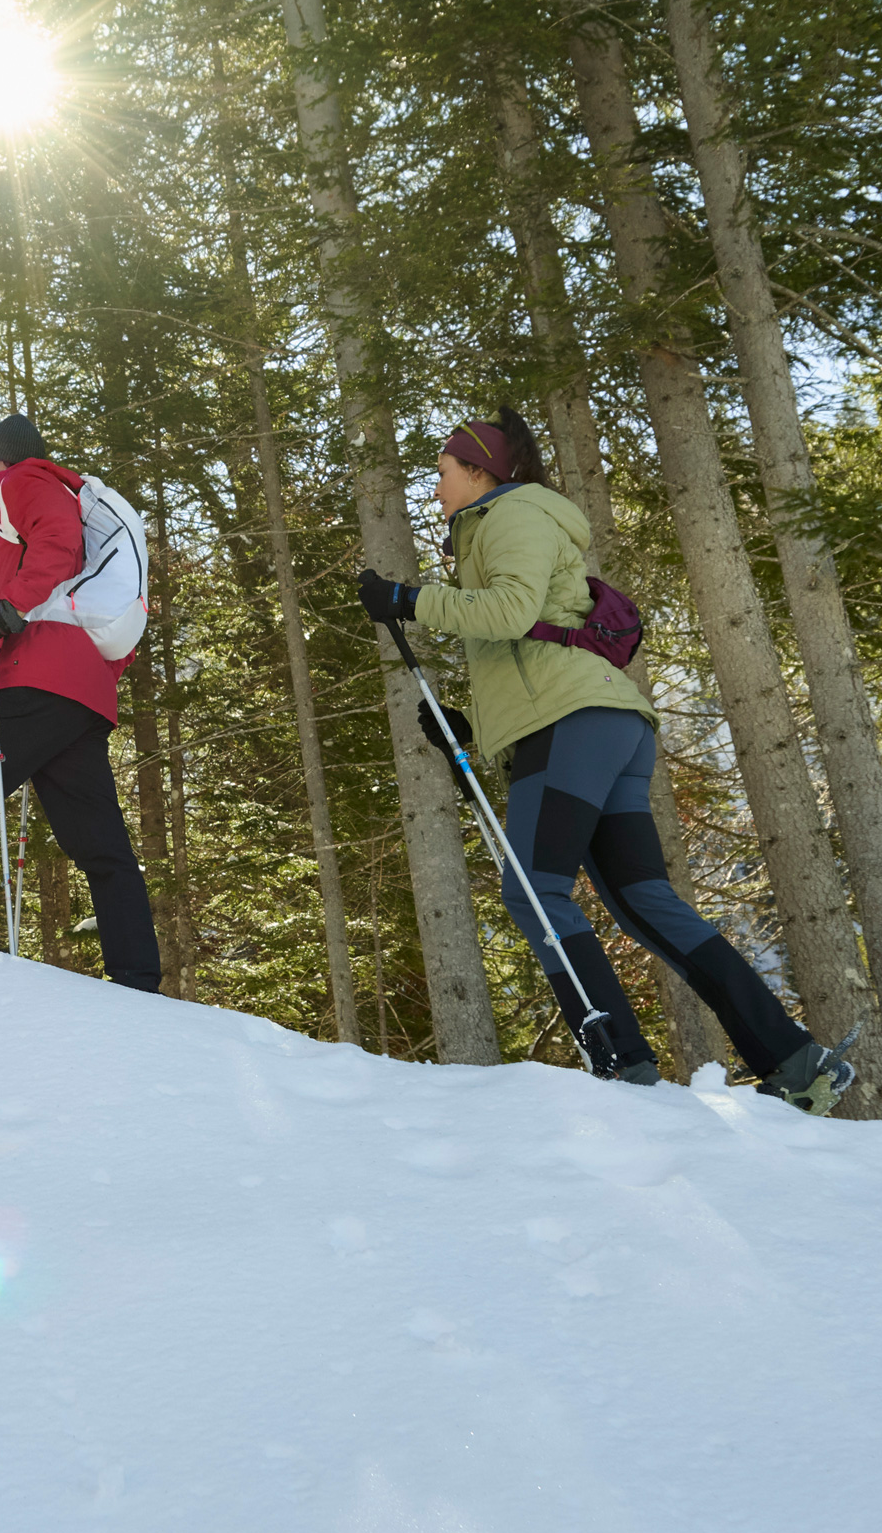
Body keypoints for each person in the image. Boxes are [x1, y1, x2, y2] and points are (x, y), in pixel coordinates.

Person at [358, 409, 855, 1112]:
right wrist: (471, 732)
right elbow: (525, 640)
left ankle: (621, 1064)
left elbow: (505, 610)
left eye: (441, 474)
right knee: (643, 900)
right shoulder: (507, 520)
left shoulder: (513, 512)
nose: (434, 490)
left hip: (572, 723)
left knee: (534, 892)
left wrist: (407, 601)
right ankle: (797, 1062)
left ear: (479, 470)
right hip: (596, 724)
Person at [0, 412, 162, 993]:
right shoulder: (75, 497)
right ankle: (138, 980)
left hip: (40, 676)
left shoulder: (24, 481)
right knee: (100, 846)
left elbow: (54, 543)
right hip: (82, 689)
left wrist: (5, 613)